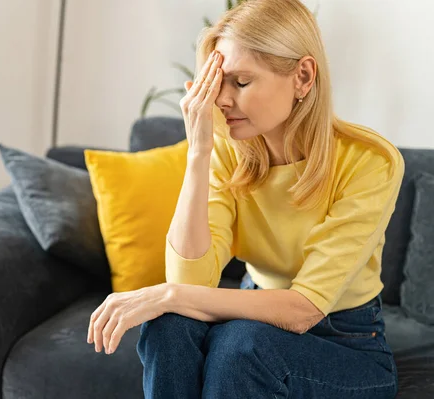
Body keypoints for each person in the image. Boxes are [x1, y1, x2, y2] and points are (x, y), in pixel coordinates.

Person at [87, 0, 403, 397]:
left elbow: (304, 309)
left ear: (303, 77)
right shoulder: (227, 151)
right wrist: (199, 154)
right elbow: (190, 280)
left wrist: (166, 294)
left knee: (241, 349)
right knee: (168, 329)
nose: (221, 99)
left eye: (240, 82)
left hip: (346, 342)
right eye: (217, 82)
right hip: (252, 320)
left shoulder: (371, 162)